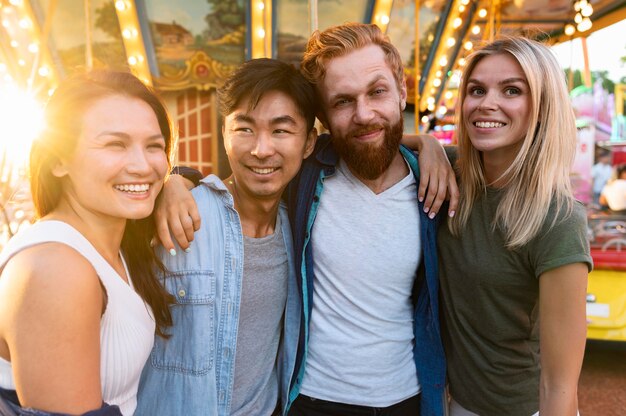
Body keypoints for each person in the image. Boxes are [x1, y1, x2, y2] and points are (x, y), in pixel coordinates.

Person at [136, 58, 317, 416]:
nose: (262, 149)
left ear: (309, 142)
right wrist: (169, 182)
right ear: (224, 133)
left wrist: (429, 145)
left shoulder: (301, 227)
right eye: (245, 129)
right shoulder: (178, 217)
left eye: (281, 131)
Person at [285, 23, 448, 416]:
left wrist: (433, 146)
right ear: (322, 116)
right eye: (343, 102)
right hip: (313, 401)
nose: (364, 114)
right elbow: (243, 177)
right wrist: (178, 186)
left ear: (402, 92)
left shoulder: (440, 184)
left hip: (407, 399)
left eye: (377, 92)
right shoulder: (303, 175)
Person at [0, 71, 175, 415]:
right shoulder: (54, 268)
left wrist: (177, 185)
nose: (144, 166)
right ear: (58, 161)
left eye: (154, 146)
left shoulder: (117, 243)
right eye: (115, 144)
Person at [437, 37, 591, 416]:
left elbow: (559, 385)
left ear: (541, 108)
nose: (487, 103)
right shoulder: (449, 174)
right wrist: (425, 143)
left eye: (511, 90)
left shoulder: (557, 219)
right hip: (446, 401)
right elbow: (379, 142)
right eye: (477, 90)